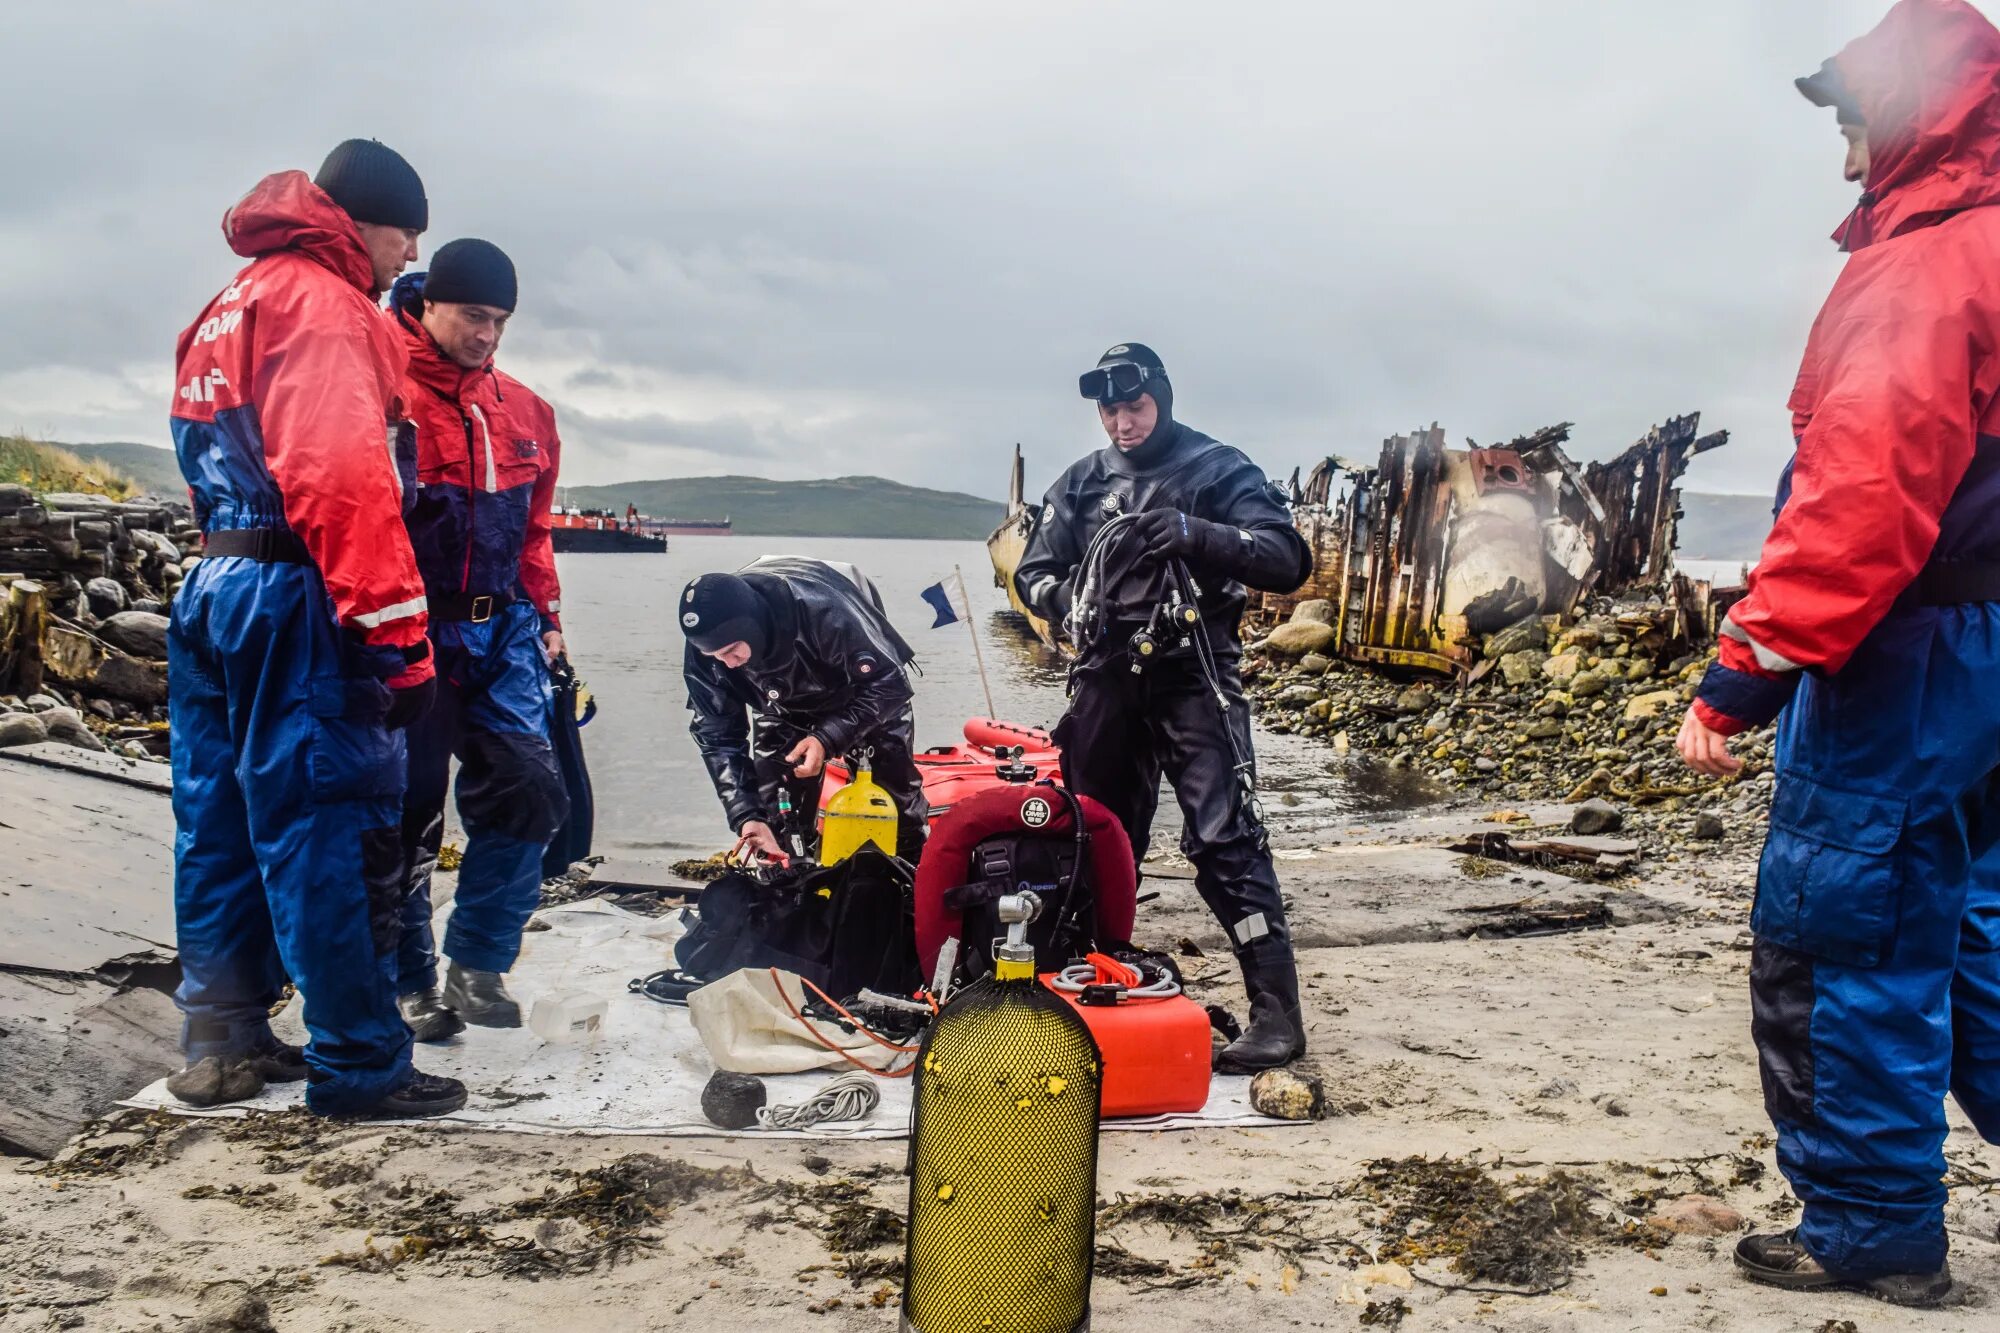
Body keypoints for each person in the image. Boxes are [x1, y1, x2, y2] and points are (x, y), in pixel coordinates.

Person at [1675, 0, 2000, 1307]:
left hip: (1905, 656)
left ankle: (1868, 1227)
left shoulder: (1925, 266)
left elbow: (1859, 498)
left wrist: (1742, 672)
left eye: (1856, 113)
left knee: (1845, 929)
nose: (1844, 145)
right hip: (1983, 654)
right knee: (1968, 915)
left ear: (1919, 107)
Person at [165, 139, 465, 1118]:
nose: (410, 254)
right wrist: (402, 645)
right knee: (324, 822)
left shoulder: (225, 305)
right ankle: (359, 1062)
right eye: (403, 231)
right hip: (296, 595)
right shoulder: (329, 307)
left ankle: (221, 1033)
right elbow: (341, 482)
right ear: (358, 222)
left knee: (215, 819)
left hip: (214, 581)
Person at [1015, 343, 1311, 1072]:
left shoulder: (1217, 469)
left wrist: (1197, 533)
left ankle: (1276, 1014)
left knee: (1223, 837)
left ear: (1163, 400)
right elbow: (1032, 572)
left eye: (1134, 407)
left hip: (1192, 671)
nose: (1121, 423)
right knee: (1093, 835)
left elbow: (1287, 556)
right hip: (1106, 674)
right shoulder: (1081, 484)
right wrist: (1067, 597)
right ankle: (1088, 977)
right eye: (1109, 411)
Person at [385, 239, 569, 1038]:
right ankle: (407, 981)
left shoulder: (527, 413)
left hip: (504, 635)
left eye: (499, 320)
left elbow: (534, 532)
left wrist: (550, 618)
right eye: (472, 315)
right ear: (428, 304)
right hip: (410, 628)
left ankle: (478, 963)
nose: (486, 333)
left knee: (531, 792)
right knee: (403, 816)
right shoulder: (381, 389)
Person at [681, 558, 925, 862]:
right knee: (776, 823)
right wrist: (745, 814)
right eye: (714, 655)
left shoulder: (825, 612)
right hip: (779, 709)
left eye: (731, 651)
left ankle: (911, 887)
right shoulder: (707, 654)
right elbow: (717, 737)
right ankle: (790, 894)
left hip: (860, 696)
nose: (726, 663)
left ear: (752, 628)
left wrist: (827, 737)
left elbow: (891, 684)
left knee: (898, 809)